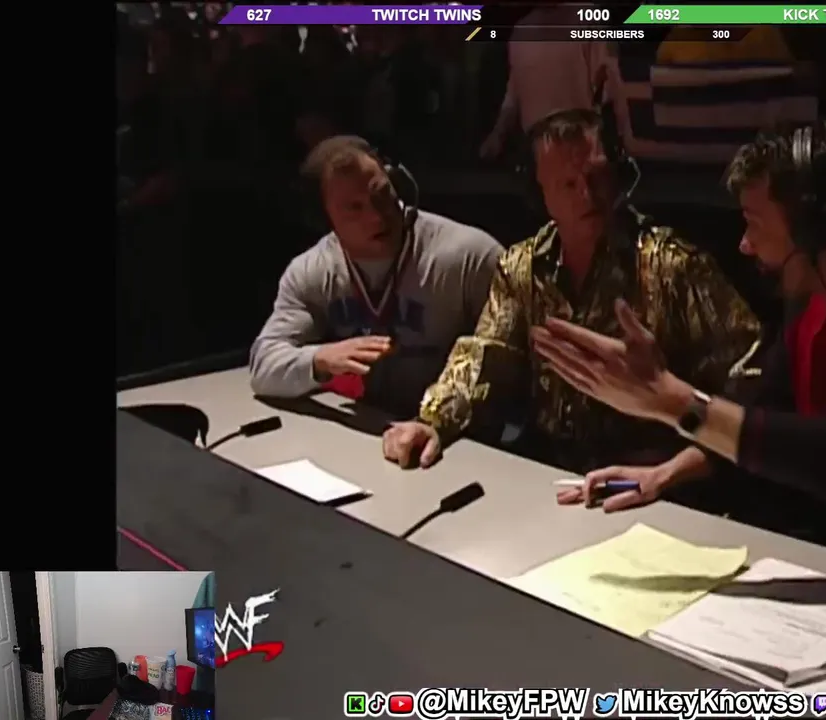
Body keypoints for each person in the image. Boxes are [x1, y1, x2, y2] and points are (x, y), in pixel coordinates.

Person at [535, 122, 826, 587]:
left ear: (815, 228)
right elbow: (763, 413)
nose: (744, 243)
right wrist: (667, 473)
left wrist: (675, 403)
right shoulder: (814, 303)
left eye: (754, 221)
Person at [382, 109, 759, 472]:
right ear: (540, 193)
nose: (587, 195)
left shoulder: (674, 266)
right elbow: (486, 356)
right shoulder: (522, 267)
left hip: (647, 473)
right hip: (549, 468)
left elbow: (749, 379)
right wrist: (433, 421)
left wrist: (687, 462)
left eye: (596, 177)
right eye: (568, 184)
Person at [249, 136, 502, 415]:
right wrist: (319, 359)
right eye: (354, 208)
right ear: (323, 219)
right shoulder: (311, 273)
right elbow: (263, 366)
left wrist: (441, 422)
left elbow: (512, 369)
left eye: (381, 193)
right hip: (367, 430)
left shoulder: (471, 258)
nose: (377, 217)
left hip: (454, 432)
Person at [479, 8, 626, 159]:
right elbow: (514, 92)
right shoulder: (521, 31)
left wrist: (625, 137)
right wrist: (497, 135)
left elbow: (610, 83)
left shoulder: (589, 19)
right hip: (537, 152)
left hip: (580, 148)